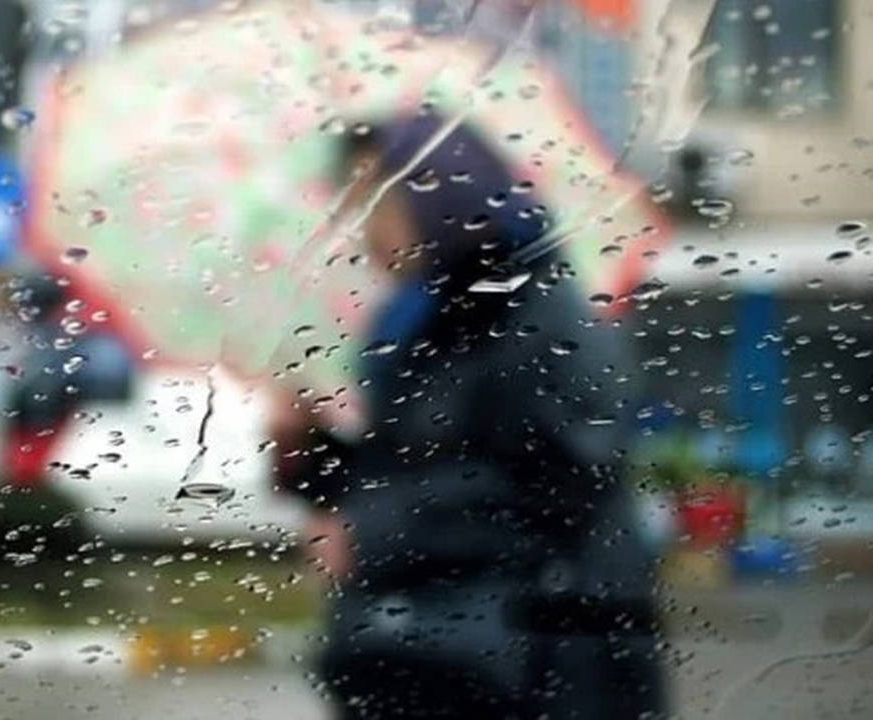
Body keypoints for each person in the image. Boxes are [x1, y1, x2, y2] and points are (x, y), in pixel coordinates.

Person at [275, 114, 668, 719]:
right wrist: (313, 455)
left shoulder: (538, 317)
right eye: (352, 207)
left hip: (544, 665)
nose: (363, 231)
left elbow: (561, 483)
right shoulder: (417, 322)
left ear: (444, 192)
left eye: (376, 202)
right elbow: (408, 468)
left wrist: (373, 533)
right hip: (436, 657)